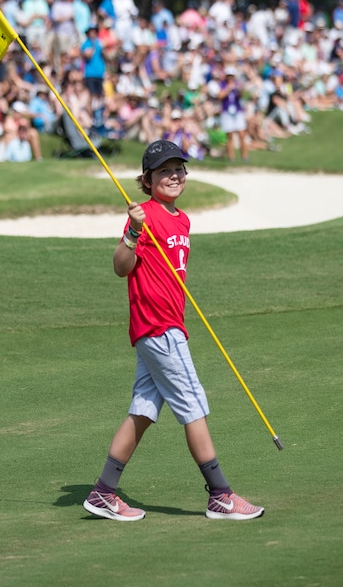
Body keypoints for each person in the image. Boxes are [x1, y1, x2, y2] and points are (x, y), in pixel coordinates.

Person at [83, 140, 264, 522]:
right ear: (147, 180)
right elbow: (121, 266)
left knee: (143, 411)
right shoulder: (144, 215)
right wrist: (133, 231)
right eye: (165, 171)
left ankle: (103, 492)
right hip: (159, 328)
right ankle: (220, 495)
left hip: (166, 326)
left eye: (179, 168)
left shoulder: (181, 219)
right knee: (193, 406)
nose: (175, 175)